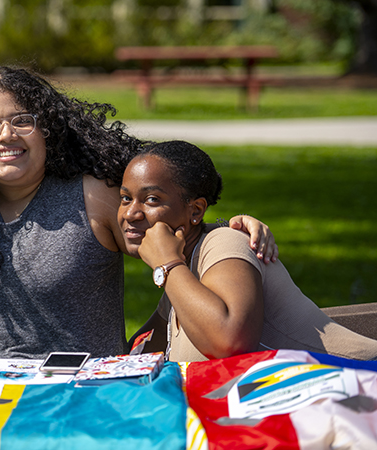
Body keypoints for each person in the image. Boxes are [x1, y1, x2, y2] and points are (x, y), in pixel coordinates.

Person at [0, 66, 276, 359]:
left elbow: (173, 230)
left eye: (22, 121)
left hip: (75, 398)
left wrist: (226, 230)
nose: (6, 135)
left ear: (48, 130)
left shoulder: (91, 196)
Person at [119, 140, 377, 362]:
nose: (131, 213)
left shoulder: (223, 245)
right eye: (125, 198)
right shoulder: (183, 275)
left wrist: (167, 264)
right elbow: (137, 354)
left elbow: (229, 344)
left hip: (360, 386)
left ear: (196, 210)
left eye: (152, 199)